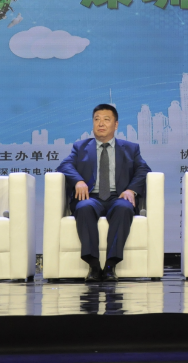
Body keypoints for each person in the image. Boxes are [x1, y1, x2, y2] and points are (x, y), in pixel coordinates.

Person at [57, 104, 150, 282]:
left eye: (106, 119)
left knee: (124, 208)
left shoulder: (130, 148)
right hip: (91, 197)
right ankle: (93, 265)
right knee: (84, 207)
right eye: (97, 119)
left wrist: (131, 190)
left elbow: (143, 170)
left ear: (116, 124)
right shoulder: (80, 147)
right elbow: (64, 166)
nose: (101, 123)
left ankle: (110, 266)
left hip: (118, 196)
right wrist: (78, 181)